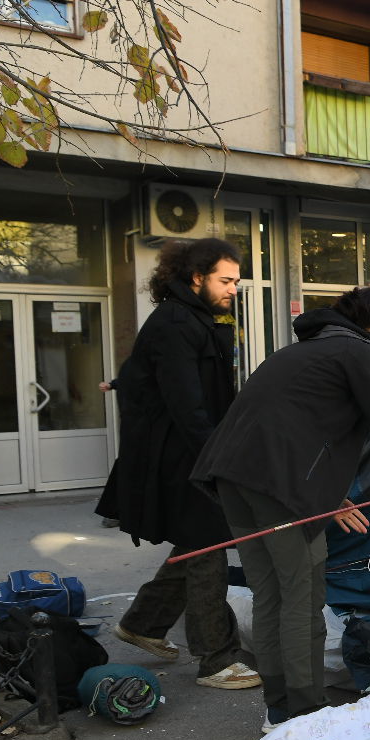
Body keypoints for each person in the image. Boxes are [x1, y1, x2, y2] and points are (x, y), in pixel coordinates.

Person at [193, 286, 370, 730]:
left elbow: (295, 427)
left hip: (232, 476)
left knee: (271, 593)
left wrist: (328, 496)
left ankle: (279, 709)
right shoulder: (356, 352)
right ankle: (305, 713)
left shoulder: (302, 352)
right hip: (276, 484)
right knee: (302, 596)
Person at [95, 238, 257, 690]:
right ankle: (216, 659)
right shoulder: (175, 322)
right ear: (196, 277)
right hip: (182, 458)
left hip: (190, 453)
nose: (233, 289)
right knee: (206, 547)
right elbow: (189, 406)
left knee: (195, 544)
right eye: (226, 280)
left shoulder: (196, 320)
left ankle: (143, 624)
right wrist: (217, 462)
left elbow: (140, 377)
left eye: (236, 281)